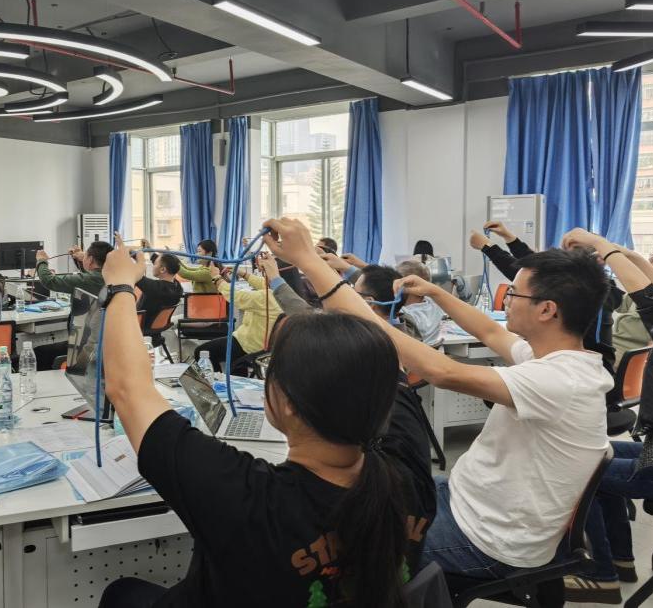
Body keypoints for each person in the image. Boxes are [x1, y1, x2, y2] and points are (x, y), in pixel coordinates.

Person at [262, 217, 612, 580]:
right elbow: (490, 331)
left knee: (340, 547)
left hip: (486, 539)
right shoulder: (556, 360)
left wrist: (310, 262)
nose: (507, 299)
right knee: (364, 502)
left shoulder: (560, 380)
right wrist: (436, 292)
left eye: (514, 293)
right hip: (467, 500)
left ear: (547, 310)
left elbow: (440, 371)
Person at [96, 242, 436, 608]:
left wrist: (120, 285)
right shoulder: (411, 471)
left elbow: (128, 389)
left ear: (286, 402)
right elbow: (384, 352)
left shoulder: (248, 497)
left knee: (121, 593)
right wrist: (304, 258)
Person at [557, 229, 653, 603]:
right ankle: (620, 560)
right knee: (600, 454)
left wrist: (601, 244)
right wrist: (625, 253)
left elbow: (650, 298)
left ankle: (600, 575)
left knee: (580, 471)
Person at [470, 220, 622, 374]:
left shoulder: (587, 289)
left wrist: (488, 247)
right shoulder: (597, 285)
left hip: (588, 368)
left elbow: (531, 276)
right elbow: (538, 266)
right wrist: (510, 238)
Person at [194, 258, 281, 372]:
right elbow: (263, 284)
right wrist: (242, 273)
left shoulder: (266, 297)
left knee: (201, 352)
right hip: (255, 343)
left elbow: (235, 296)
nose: (262, 271)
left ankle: (216, 379)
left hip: (248, 346)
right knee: (233, 363)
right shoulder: (284, 293)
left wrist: (216, 277)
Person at [395, 259, 445, 347]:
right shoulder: (435, 305)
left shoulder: (404, 313)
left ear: (407, 285)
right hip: (432, 351)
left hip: (414, 353)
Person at [35, 240, 111, 296]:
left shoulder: (92, 279)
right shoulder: (109, 275)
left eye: (85, 255)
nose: (83, 256)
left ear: (90, 260)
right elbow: (90, 278)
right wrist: (80, 260)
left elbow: (50, 281)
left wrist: (41, 260)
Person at [134, 251, 183, 333]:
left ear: (163, 269)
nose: (153, 266)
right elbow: (165, 264)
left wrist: (140, 261)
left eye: (155, 264)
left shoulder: (156, 288)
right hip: (158, 324)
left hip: (140, 324)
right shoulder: (177, 287)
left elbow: (134, 274)